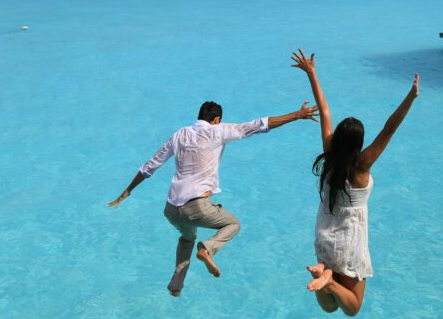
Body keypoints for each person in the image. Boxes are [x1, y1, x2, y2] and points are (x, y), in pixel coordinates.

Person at [109, 99, 318, 296]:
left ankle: (176, 285)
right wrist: (297, 115)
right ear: (217, 119)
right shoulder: (219, 131)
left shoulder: (179, 134)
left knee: (187, 237)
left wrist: (126, 192)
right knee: (233, 224)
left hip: (171, 210)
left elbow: (150, 166)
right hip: (197, 207)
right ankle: (207, 249)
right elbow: (259, 125)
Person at [290, 49, 419, 316]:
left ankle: (326, 278)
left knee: (328, 308)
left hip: (325, 239)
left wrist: (311, 73)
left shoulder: (329, 158)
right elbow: (389, 128)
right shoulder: (362, 165)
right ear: (359, 144)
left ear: (337, 138)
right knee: (352, 308)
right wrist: (410, 97)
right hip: (349, 243)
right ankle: (328, 281)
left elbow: (324, 110)